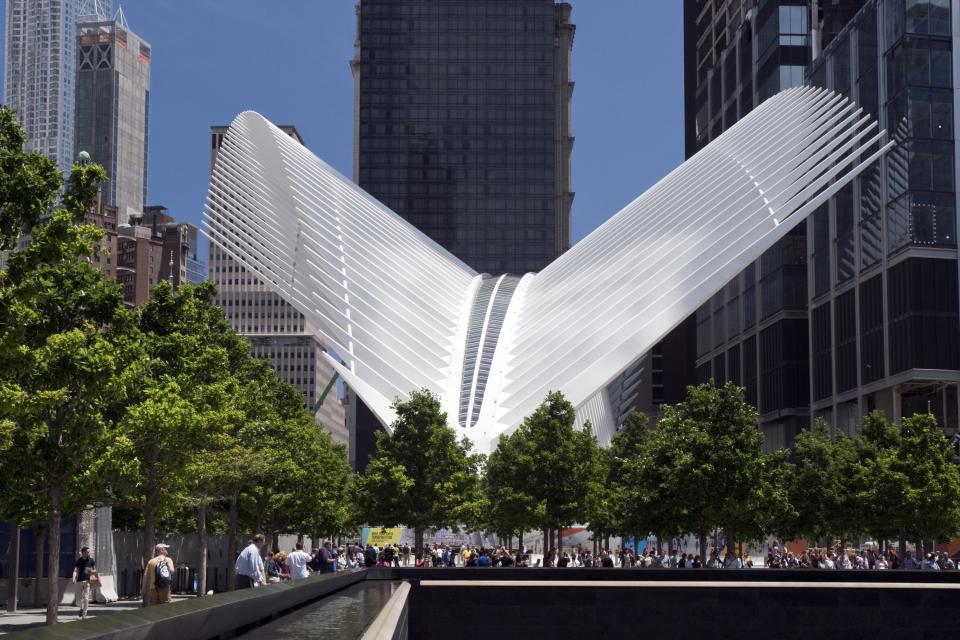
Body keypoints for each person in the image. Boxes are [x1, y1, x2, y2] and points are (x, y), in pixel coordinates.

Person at [71, 546, 97, 618]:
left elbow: (95, 570)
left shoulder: (91, 560)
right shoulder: (78, 561)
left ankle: (84, 615)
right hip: (79, 581)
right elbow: (75, 570)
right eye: (87, 552)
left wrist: (91, 571)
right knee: (78, 600)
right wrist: (73, 578)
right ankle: (81, 608)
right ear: (83, 553)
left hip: (87, 581)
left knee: (86, 598)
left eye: (89, 552)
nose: (89, 553)